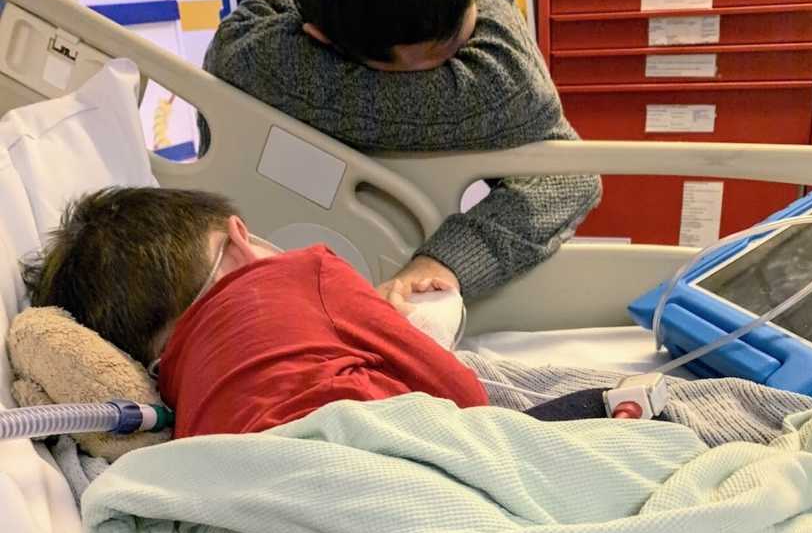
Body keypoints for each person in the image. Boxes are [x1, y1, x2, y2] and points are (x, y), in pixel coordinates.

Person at [201, 0, 599, 304]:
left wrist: (446, 260)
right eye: (436, 59)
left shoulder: (263, 41)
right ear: (325, 44)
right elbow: (532, 116)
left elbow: (568, 175)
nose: (460, 62)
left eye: (466, 30)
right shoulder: (491, 88)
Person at [21, 187, 488, 439]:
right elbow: (464, 396)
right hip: (393, 466)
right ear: (240, 237)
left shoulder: (175, 395)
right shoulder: (309, 271)